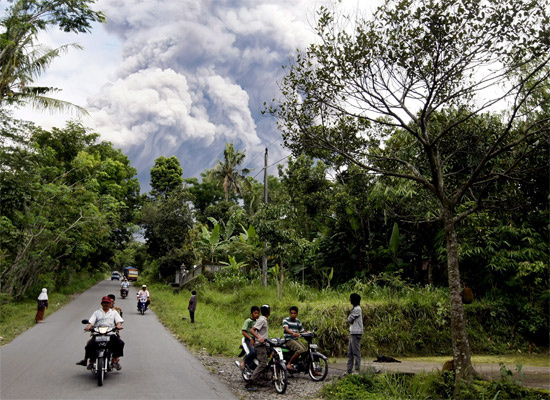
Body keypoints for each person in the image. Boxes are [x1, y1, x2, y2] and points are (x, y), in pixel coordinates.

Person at [76, 296, 125, 370]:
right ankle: (91, 362)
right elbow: (91, 322)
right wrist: (88, 327)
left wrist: (118, 326)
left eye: (107, 303)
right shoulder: (96, 312)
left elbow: (119, 321)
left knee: (120, 343)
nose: (106, 304)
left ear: (110, 304)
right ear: (101, 303)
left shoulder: (114, 312)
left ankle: (114, 360)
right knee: (89, 345)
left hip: (110, 332)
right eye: (104, 302)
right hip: (98, 333)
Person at [245, 304, 270, 390]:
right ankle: (250, 382)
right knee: (262, 363)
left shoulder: (263, 319)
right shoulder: (262, 320)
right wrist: (259, 338)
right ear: (269, 313)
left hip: (264, 344)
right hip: (260, 345)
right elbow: (252, 330)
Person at [283, 306, 308, 371]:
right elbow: (286, 329)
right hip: (289, 340)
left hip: (295, 339)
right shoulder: (286, 320)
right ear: (290, 313)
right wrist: (293, 333)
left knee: (305, 350)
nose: (293, 314)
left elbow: (302, 331)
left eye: (294, 313)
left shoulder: (298, 321)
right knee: (300, 349)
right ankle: (289, 363)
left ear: (297, 314)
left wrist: (307, 333)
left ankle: (306, 367)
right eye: (291, 313)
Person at [237, 305, 260, 370]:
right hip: (249, 339)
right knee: (253, 352)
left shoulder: (258, 321)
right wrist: (250, 338)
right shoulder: (248, 321)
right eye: (255, 313)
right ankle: (244, 361)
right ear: (251, 313)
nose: (257, 315)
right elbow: (243, 332)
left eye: (258, 313)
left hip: (256, 339)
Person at [347, 293, 363, 375]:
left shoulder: (357, 309)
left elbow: (349, 319)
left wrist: (349, 317)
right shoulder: (354, 308)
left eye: (351, 298)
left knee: (356, 353)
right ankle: (349, 370)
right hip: (353, 332)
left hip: (356, 333)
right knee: (350, 353)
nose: (350, 300)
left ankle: (357, 370)